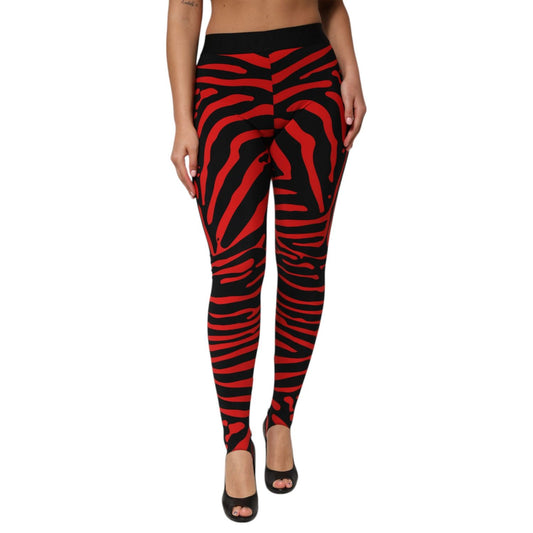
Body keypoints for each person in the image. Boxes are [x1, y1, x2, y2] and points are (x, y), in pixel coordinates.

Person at [166, 0, 366, 522]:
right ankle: (236, 442)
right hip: (225, 86)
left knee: (304, 263)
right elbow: (184, 9)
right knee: (235, 271)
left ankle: (281, 418)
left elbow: (332, 3)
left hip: (313, 76)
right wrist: (182, 120)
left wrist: (351, 70)